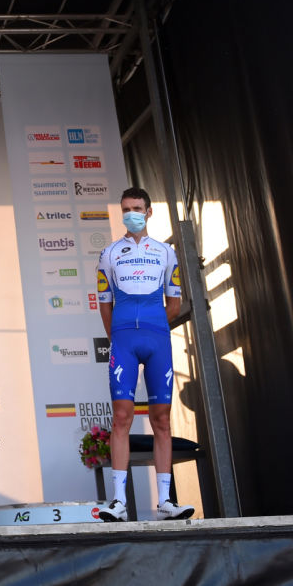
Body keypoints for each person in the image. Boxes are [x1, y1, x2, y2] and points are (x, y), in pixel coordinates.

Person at [95, 186, 195, 521]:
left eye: (137, 208)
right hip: (124, 341)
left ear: (149, 212)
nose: (131, 214)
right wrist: (119, 336)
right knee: (121, 417)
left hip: (157, 341)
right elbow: (104, 304)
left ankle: (165, 501)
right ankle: (118, 502)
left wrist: (152, 327)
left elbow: (175, 304)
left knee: (161, 419)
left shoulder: (166, 253)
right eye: (126, 209)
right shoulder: (109, 253)